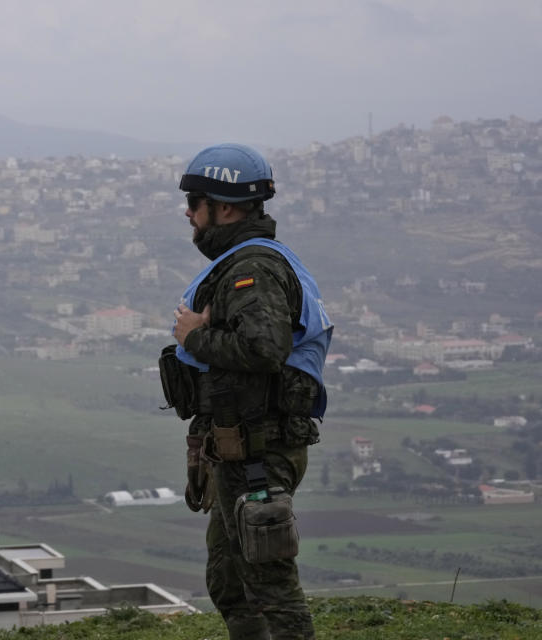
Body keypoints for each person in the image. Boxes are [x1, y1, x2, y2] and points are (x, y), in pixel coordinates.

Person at [167, 144, 332, 640]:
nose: (189, 214)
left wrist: (194, 335)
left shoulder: (253, 268)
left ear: (225, 207)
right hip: (239, 449)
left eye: (195, 203)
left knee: (270, 587)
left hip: (260, 449)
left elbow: (264, 350)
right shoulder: (250, 260)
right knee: (230, 581)